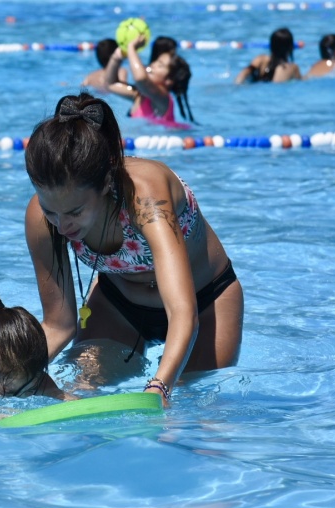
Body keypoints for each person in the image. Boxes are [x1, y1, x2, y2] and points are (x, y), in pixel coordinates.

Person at [23, 93, 244, 406]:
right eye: (50, 211)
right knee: (80, 391)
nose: (61, 226)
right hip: (118, 305)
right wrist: (1, 374)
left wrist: (160, 388)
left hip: (206, 302)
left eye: (74, 212)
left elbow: (183, 312)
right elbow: (59, 324)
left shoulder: (147, 199)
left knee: (197, 412)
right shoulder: (40, 219)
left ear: (106, 184)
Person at [103, 34, 194, 128]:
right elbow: (110, 84)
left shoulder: (163, 97)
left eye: (160, 65)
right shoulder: (141, 95)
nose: (153, 65)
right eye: (156, 61)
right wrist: (116, 57)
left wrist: (131, 48)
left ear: (168, 80)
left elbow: (140, 79)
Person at [234, 28, 301, 84]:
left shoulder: (261, 59)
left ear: (271, 45)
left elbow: (243, 74)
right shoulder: (291, 67)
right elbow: (301, 81)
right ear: (291, 47)